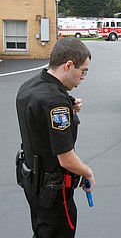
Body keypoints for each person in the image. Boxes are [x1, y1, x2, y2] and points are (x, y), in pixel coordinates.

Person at [16, 37, 95, 238]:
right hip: (54, 191)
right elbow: (66, 159)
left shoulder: (30, 86)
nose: (83, 77)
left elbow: (41, 110)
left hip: (32, 181)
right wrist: (87, 172)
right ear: (68, 65)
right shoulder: (55, 103)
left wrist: (69, 104)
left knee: (42, 231)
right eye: (83, 71)